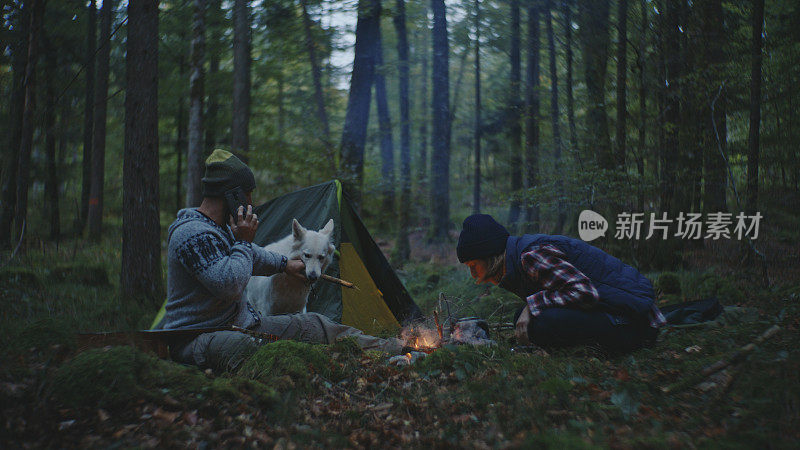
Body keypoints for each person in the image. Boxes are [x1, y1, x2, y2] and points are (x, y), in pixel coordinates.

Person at [164, 149, 403, 371]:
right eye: (247, 195)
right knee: (254, 347)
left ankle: (396, 349)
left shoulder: (220, 230)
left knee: (314, 324)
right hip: (197, 337)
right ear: (233, 195)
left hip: (239, 326)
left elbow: (255, 256)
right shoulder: (191, 234)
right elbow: (230, 285)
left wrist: (286, 265)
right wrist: (244, 241)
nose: (250, 203)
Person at [456, 214, 665, 355]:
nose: (472, 271)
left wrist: (532, 305)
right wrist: (529, 308)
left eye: (473, 264)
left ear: (490, 256)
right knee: (522, 318)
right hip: (617, 313)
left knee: (542, 322)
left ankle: (606, 348)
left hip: (636, 322)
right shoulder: (516, 259)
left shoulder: (531, 255)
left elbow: (585, 292)